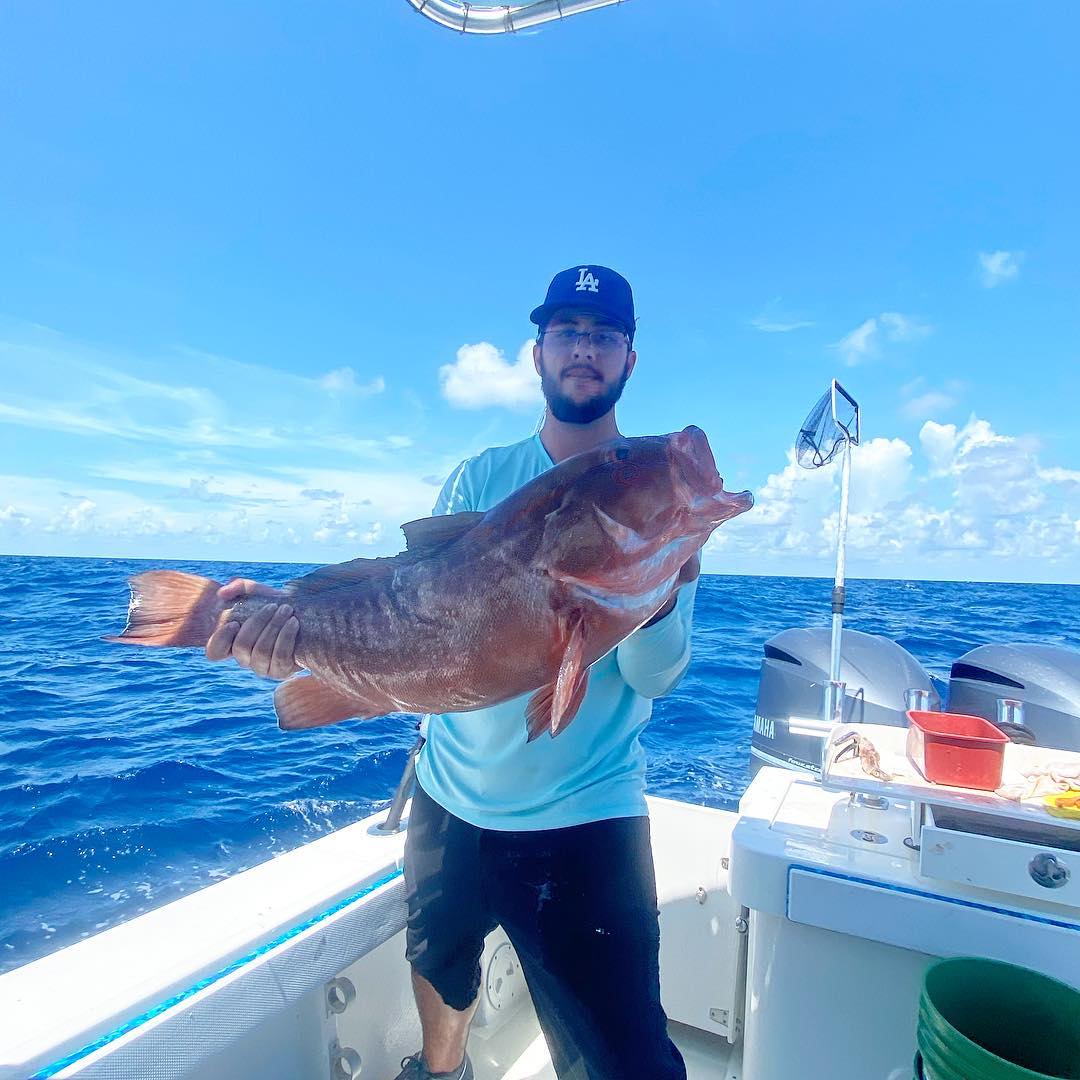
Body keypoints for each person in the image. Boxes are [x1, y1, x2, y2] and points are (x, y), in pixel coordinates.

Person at [207, 266, 699, 1080]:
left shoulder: (658, 493)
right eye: (568, 333)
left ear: (629, 361)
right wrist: (291, 623)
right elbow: (411, 608)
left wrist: (663, 582)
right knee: (441, 963)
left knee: (629, 1063)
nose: (585, 350)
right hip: (451, 797)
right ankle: (444, 1073)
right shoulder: (480, 477)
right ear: (538, 353)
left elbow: (655, 678)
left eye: (604, 335)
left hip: (587, 818)